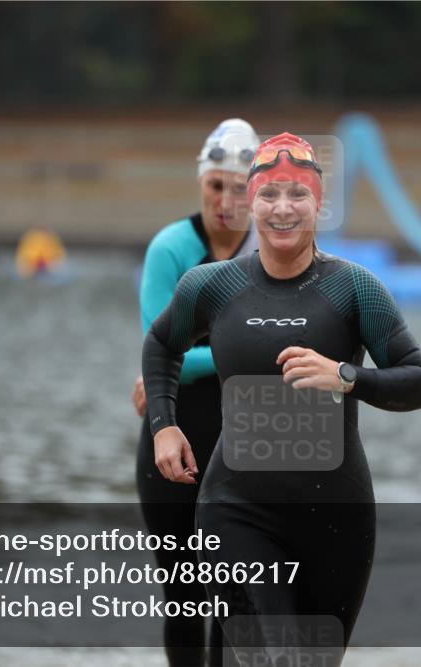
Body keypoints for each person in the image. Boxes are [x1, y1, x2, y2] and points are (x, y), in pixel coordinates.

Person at [142, 132, 421, 665]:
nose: (282, 209)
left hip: (337, 518)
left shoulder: (355, 289)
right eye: (269, 194)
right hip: (235, 510)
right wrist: (165, 424)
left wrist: (345, 375)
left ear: (319, 204)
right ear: (250, 201)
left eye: (297, 195)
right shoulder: (211, 286)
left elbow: (417, 381)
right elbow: (161, 344)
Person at [134, 118, 260, 667]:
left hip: (250, 444)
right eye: (216, 186)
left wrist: (198, 358)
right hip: (174, 440)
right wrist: (245, 355)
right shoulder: (172, 249)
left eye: (239, 188)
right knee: (184, 599)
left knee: (237, 596)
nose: (226, 201)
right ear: (201, 184)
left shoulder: (275, 250)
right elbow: (162, 354)